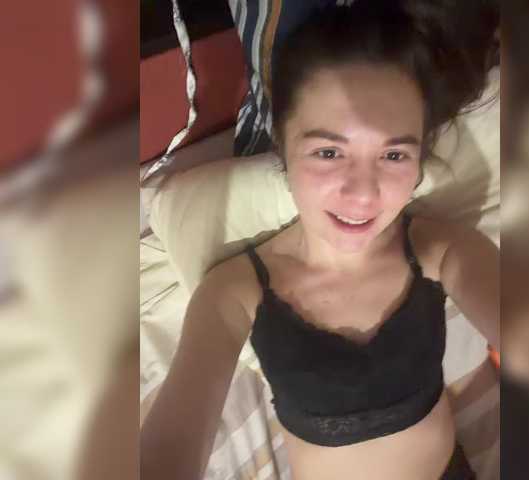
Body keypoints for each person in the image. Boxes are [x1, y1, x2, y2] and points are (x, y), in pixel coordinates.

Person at [141, 1, 499, 479]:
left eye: (394, 155)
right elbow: (172, 441)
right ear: (282, 144)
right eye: (329, 152)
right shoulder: (235, 292)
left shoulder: (442, 251)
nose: (363, 194)